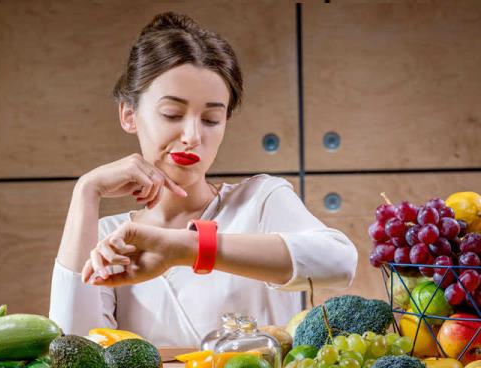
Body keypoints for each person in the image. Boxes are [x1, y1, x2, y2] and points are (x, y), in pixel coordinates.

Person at [49, 12, 358, 347]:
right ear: (129, 115)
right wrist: (86, 191)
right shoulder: (109, 240)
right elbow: (73, 351)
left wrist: (187, 249)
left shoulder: (261, 201)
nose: (193, 136)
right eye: (172, 114)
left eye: (211, 119)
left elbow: (339, 261)